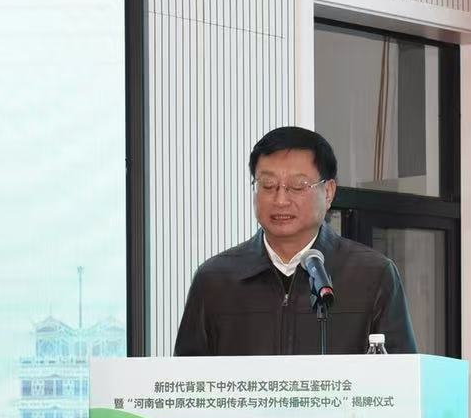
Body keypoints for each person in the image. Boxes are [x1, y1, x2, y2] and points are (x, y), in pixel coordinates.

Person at [173, 127, 417, 356]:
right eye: (268, 185)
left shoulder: (372, 274)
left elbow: (402, 376)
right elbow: (186, 377)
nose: (280, 200)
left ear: (329, 192)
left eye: (298, 186)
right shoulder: (214, 279)